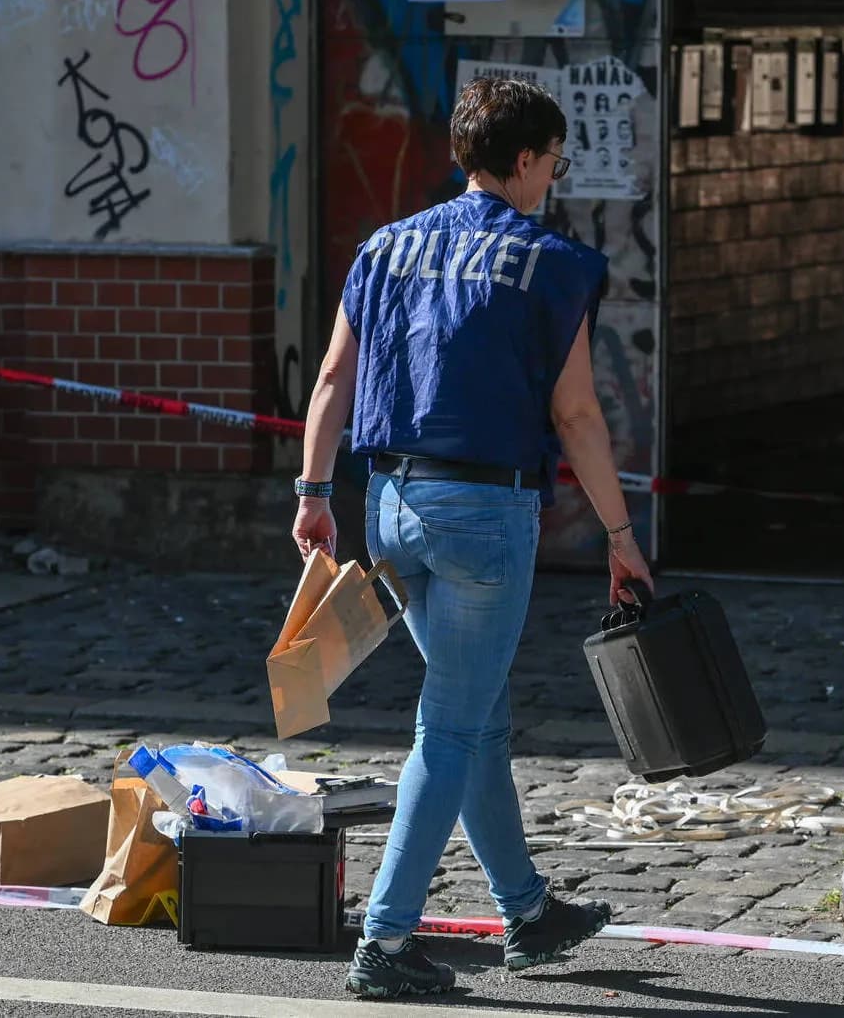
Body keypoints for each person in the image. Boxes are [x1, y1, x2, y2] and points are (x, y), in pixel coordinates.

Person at [293, 76, 654, 999]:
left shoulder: (383, 245)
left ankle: (528, 910)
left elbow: (332, 379)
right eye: (553, 163)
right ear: (524, 160)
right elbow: (577, 415)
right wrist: (620, 534)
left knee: (477, 710)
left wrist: (312, 493)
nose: (553, 180)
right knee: (452, 724)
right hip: (484, 516)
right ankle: (386, 940)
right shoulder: (552, 263)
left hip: (389, 507)